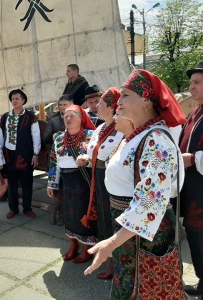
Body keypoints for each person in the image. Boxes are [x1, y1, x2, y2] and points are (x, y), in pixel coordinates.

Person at [84, 70, 186, 299]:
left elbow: (150, 204)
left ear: (146, 100)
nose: (118, 101)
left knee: (144, 289)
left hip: (144, 236)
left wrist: (111, 242)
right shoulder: (138, 135)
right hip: (129, 231)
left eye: (125, 95)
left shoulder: (156, 139)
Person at [76, 88, 123, 279]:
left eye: (100, 103)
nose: (94, 106)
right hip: (98, 178)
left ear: (111, 107)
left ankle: (116, 264)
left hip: (111, 181)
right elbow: (95, 153)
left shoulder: (120, 128)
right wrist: (85, 159)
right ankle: (108, 260)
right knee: (103, 220)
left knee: (111, 221)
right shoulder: (100, 127)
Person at [47, 105, 97, 263]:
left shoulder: (91, 136)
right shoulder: (60, 139)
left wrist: (87, 162)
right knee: (68, 214)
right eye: (65, 116)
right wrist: (52, 184)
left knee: (84, 214)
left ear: (81, 118)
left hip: (84, 182)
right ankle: (73, 245)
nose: (68, 119)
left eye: (72, 116)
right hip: (66, 184)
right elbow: (53, 162)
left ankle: (87, 248)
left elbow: (99, 159)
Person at [180, 61, 203, 296]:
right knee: (196, 237)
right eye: (191, 82)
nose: (191, 86)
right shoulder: (196, 111)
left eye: (197, 82)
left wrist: (194, 159)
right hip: (193, 187)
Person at [0, 89, 41, 219]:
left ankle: (27, 208)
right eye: (13, 99)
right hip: (9, 155)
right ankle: (13, 208)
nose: (14, 101)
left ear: (23, 101)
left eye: (17, 98)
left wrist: (35, 154)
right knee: (11, 183)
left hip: (26, 154)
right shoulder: (5, 117)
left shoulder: (31, 116)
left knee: (27, 182)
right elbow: (1, 137)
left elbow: (36, 136)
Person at [43, 94, 73, 225]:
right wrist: (55, 136)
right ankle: (54, 209)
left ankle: (62, 213)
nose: (62, 107)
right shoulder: (53, 120)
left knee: (67, 187)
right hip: (55, 158)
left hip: (72, 159)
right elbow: (45, 138)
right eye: (60, 104)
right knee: (56, 186)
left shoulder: (77, 118)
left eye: (64, 104)